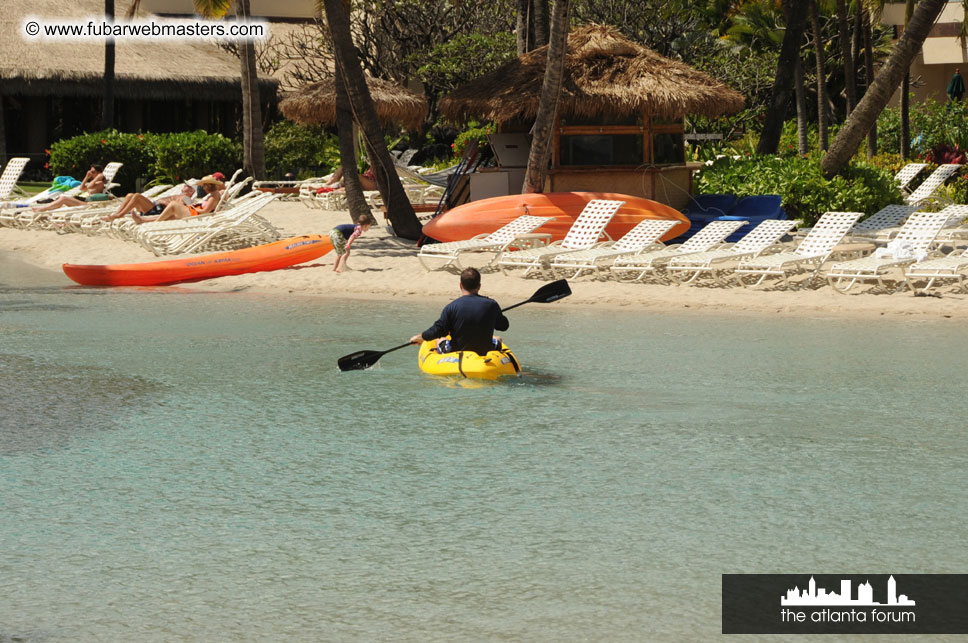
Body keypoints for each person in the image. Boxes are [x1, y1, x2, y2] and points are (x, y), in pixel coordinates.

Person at [409, 267, 509, 356]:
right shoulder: (492, 305)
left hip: (457, 353)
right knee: (498, 339)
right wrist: (496, 314)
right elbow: (504, 326)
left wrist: (421, 337)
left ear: (460, 285)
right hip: (485, 351)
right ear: (479, 286)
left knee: (440, 339)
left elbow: (438, 330)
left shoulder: (451, 307)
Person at [131, 175, 223, 223]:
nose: (203, 187)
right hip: (195, 213)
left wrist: (193, 207)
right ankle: (142, 220)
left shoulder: (214, 196)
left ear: (210, 185)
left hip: (196, 215)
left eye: (204, 185)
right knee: (170, 216)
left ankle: (155, 223)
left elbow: (205, 211)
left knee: (173, 204)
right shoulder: (213, 195)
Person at [31, 164, 110, 212]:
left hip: (86, 203)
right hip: (80, 199)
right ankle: (45, 207)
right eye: (90, 171)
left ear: (99, 173)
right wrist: (86, 177)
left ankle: (43, 209)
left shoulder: (100, 183)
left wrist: (98, 177)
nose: (91, 173)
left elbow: (88, 187)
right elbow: (82, 188)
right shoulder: (94, 182)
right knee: (60, 198)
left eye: (93, 172)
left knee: (63, 198)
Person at [101, 183, 195, 222]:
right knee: (130, 195)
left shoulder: (186, 198)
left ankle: (119, 215)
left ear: (191, 191)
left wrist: (164, 202)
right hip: (153, 207)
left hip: (158, 210)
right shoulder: (179, 195)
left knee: (137, 196)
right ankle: (115, 214)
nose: (184, 185)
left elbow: (178, 209)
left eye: (187, 186)